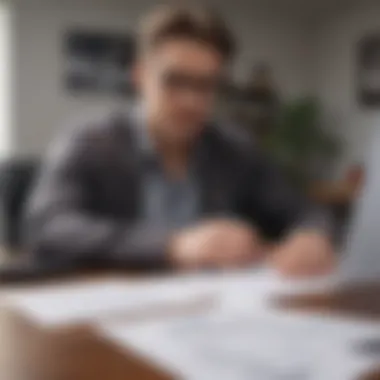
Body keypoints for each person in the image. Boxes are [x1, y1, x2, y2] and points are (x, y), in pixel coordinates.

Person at [24, 5, 335, 277]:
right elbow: (47, 228)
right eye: (175, 81)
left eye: (207, 85)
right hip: (108, 319)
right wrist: (173, 245)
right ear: (140, 76)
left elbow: (304, 211)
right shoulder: (89, 141)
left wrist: (312, 236)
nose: (192, 102)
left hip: (214, 318)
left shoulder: (235, 149)